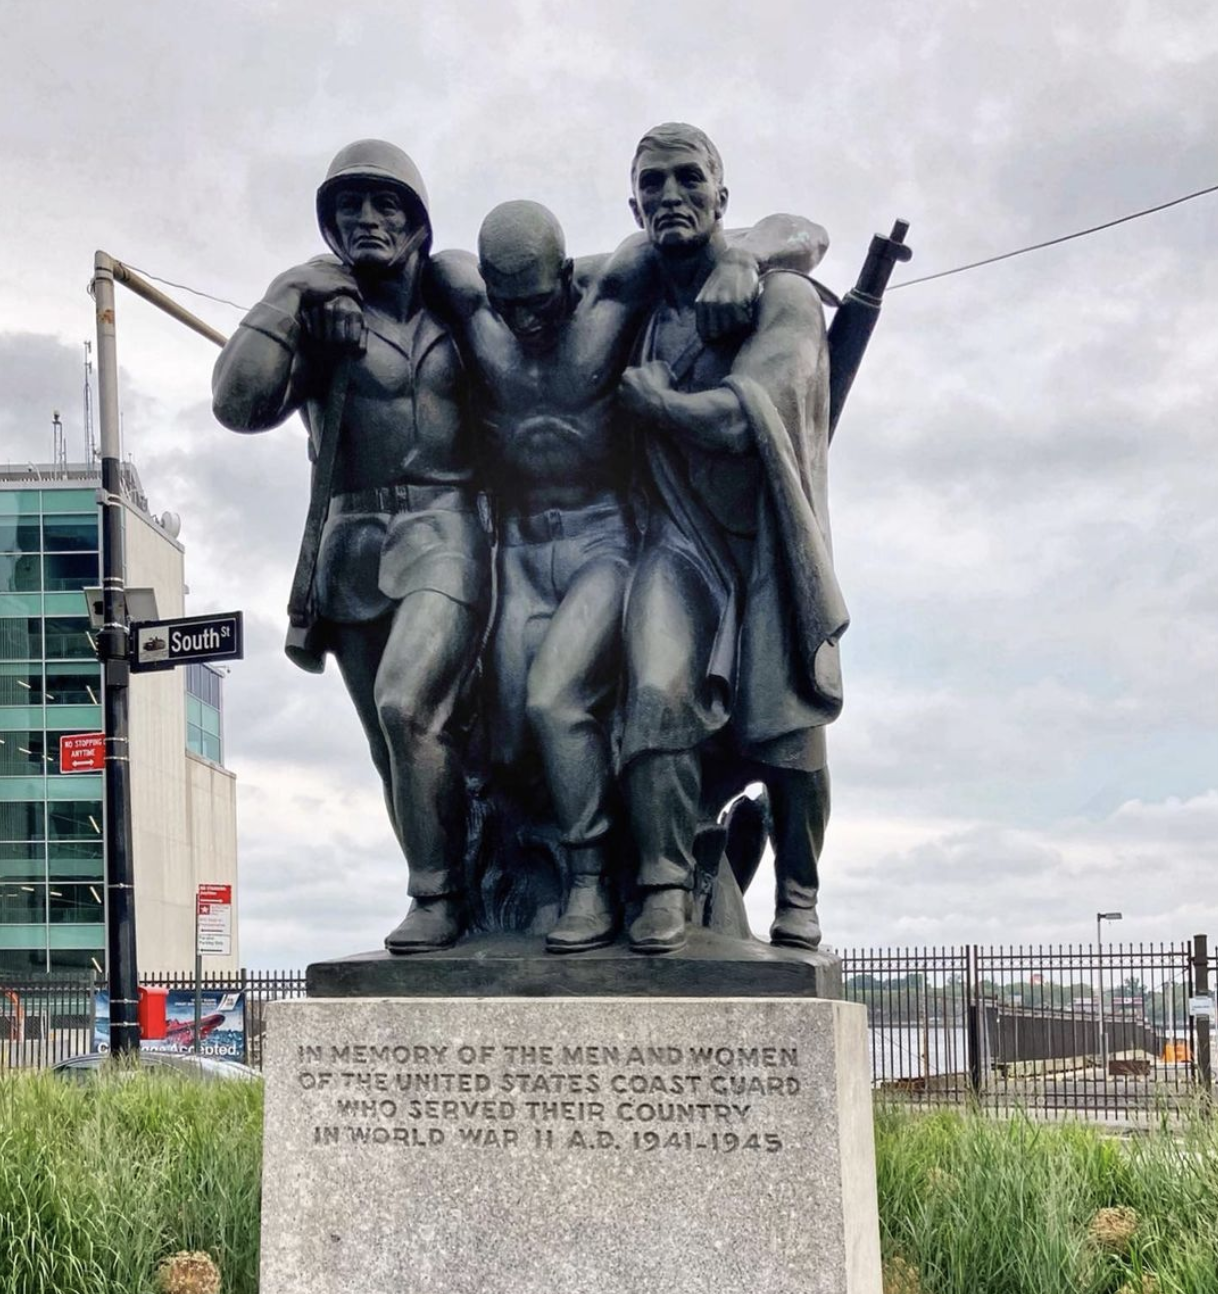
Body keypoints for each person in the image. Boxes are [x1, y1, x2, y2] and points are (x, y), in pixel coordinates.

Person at [429, 200, 825, 952]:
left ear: (567, 284)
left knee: (558, 698)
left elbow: (795, 232)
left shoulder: (617, 283)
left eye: (541, 302)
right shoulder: (471, 301)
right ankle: (520, 882)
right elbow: (395, 270)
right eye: (509, 305)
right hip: (517, 552)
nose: (527, 323)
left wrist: (746, 261)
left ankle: (597, 884)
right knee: (504, 731)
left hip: (601, 539)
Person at [212, 140, 489, 954]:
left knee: (408, 705)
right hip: (353, 546)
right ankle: (458, 885)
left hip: (449, 530)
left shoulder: (458, 310)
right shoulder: (320, 313)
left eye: (386, 204)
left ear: (418, 218)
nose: (367, 219)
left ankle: (434, 896)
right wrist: (292, 290)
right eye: (349, 209)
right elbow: (237, 402)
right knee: (388, 742)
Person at [617, 123, 848, 954]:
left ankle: (799, 890)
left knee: (788, 731)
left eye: (689, 180)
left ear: (722, 194)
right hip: (676, 540)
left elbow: (748, 412)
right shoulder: (637, 285)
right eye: (653, 183)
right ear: (633, 200)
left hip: (764, 545)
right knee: (653, 686)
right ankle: (664, 883)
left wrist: (662, 406)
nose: (670, 197)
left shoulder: (780, 297)